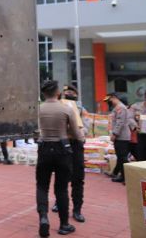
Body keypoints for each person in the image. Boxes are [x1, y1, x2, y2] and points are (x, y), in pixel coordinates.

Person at [36, 80, 84, 237]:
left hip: (44, 149)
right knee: (61, 188)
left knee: (42, 186)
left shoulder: (38, 109)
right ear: (58, 93)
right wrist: (82, 139)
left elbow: (34, 130)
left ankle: (43, 217)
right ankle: (64, 224)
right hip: (62, 150)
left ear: (43, 93)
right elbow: (77, 134)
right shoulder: (67, 109)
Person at [52, 85, 86, 223]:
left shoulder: (82, 110)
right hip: (62, 145)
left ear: (76, 95)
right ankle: (58, 202)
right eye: (66, 92)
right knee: (62, 176)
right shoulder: (57, 108)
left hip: (76, 145)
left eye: (71, 92)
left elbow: (87, 128)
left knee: (78, 178)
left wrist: (78, 130)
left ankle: (77, 209)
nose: (68, 94)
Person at [104, 93, 130, 183]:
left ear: (114, 98)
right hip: (120, 137)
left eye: (109, 100)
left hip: (122, 137)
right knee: (120, 157)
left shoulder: (120, 108)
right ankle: (122, 176)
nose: (108, 103)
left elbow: (120, 122)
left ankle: (126, 177)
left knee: (123, 158)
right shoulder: (117, 108)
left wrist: (114, 134)